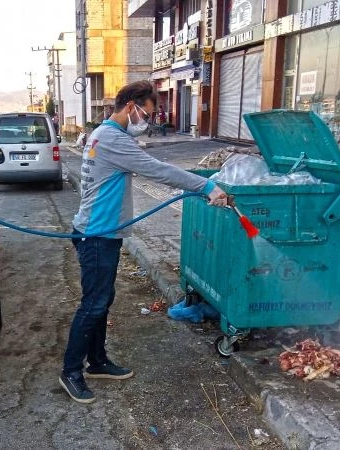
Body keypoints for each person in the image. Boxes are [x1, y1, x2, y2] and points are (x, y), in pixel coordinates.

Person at [60, 80, 230, 404]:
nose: (147, 122)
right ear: (130, 107)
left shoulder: (102, 134)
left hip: (100, 232)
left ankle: (96, 361)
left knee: (101, 301)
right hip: (96, 235)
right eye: (146, 114)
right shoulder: (112, 139)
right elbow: (158, 170)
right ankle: (71, 371)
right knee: (93, 304)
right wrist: (206, 186)